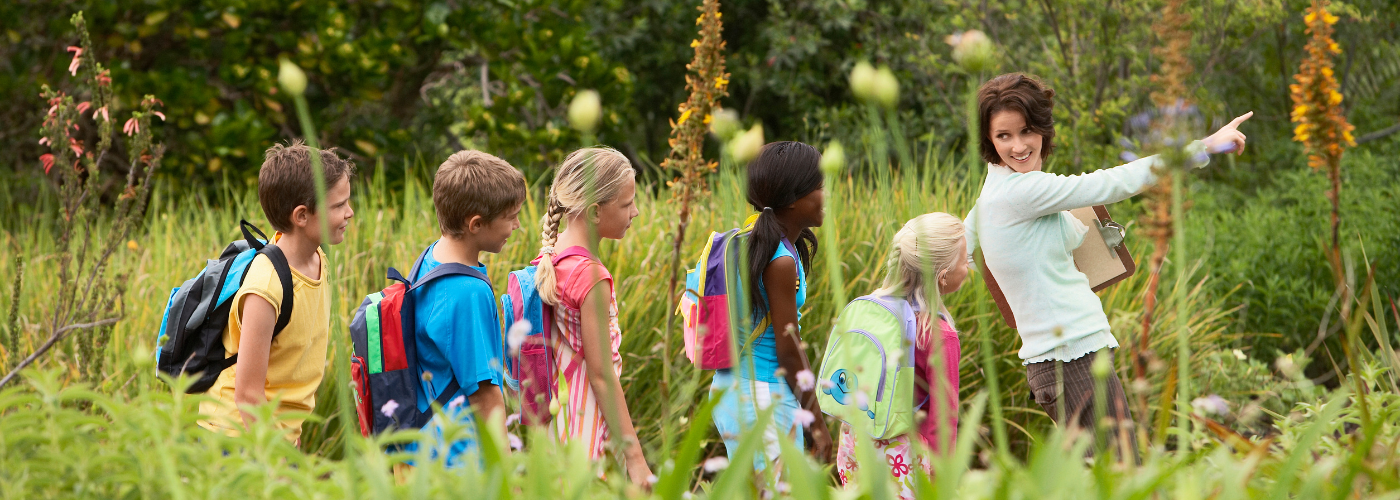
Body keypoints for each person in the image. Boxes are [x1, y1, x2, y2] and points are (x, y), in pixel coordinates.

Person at [963, 73, 1250, 458]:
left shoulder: (995, 189)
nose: (1018, 146)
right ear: (989, 140)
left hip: (1065, 360)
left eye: (1027, 130)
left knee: (1109, 478)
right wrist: (1205, 146)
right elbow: (1113, 182)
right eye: (1004, 136)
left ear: (1043, 129)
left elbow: (958, 245)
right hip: (1071, 359)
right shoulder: (1021, 192)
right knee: (1122, 475)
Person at [198, 140, 356, 444]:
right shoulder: (265, 287)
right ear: (301, 216)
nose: (349, 213)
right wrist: (277, 458)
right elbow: (247, 394)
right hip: (237, 437)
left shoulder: (316, 258)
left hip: (277, 431)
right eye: (338, 205)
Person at [533, 147, 652, 485]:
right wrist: (636, 460)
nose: (636, 212)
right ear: (596, 211)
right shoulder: (591, 276)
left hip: (556, 424)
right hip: (588, 428)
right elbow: (601, 377)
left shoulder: (550, 262)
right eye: (627, 204)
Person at [712, 141, 833, 471]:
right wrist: (817, 424)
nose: (827, 194)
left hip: (731, 389)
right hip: (761, 395)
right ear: (793, 199)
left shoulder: (750, 240)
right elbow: (788, 350)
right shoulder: (779, 260)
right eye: (820, 186)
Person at [400, 149, 525, 468]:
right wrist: (507, 479)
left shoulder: (430, 260)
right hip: (459, 460)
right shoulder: (468, 292)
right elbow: (484, 396)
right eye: (510, 217)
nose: (517, 225)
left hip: (424, 447)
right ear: (476, 224)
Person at [833, 213, 969, 498]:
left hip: (856, 440)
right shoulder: (939, 335)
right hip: (903, 456)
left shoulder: (875, 312)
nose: (968, 267)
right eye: (964, 260)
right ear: (943, 276)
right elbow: (944, 417)